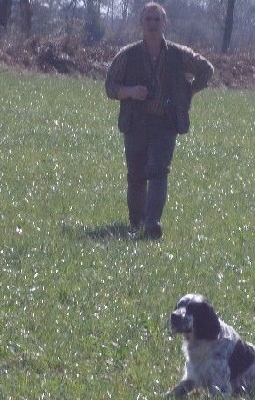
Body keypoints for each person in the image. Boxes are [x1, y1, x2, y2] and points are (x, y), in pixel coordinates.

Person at [105, 2, 214, 239]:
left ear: (165, 23)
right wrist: (130, 92)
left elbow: (207, 70)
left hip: (165, 123)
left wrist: (187, 92)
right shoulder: (127, 55)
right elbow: (110, 86)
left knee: (158, 172)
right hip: (135, 122)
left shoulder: (179, 54)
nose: (152, 24)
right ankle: (136, 223)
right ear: (141, 23)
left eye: (157, 20)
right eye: (148, 19)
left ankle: (152, 224)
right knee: (136, 176)